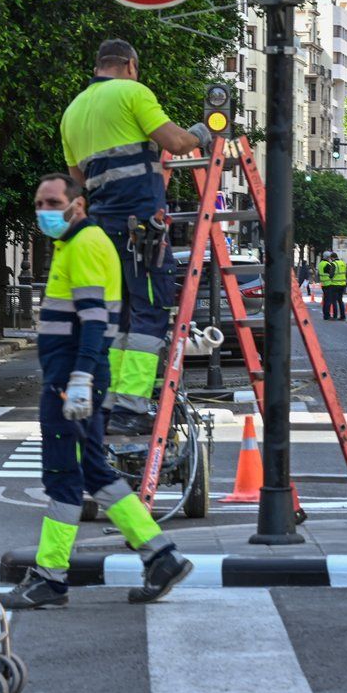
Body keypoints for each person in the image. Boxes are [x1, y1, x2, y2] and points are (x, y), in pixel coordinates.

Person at [0, 174, 192, 610]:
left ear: (78, 205)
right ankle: (160, 556)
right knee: (94, 474)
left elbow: (92, 320)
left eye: (52, 201)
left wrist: (81, 378)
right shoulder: (81, 243)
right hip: (74, 379)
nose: (44, 210)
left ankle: (51, 577)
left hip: (71, 383)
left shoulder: (84, 245)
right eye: (39, 202)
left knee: (64, 475)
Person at [61, 38, 212, 436]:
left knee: (117, 318)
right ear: (130, 65)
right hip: (139, 228)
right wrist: (202, 133)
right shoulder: (133, 92)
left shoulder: (72, 112)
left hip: (102, 231)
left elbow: (80, 180)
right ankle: (132, 406)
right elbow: (176, 143)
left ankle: (111, 403)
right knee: (148, 314)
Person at [317, 252, 337, 320]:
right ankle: (327, 315)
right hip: (329, 284)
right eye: (330, 257)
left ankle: (325, 315)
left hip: (323, 284)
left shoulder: (320, 264)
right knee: (328, 301)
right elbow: (331, 274)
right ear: (328, 257)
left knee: (325, 300)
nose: (330, 258)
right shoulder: (327, 264)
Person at [331, 252, 347, 319]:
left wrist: (331, 278)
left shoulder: (334, 264)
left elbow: (331, 274)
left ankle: (335, 316)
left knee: (334, 300)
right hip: (343, 284)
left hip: (335, 285)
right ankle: (342, 316)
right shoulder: (343, 263)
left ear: (332, 258)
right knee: (340, 300)